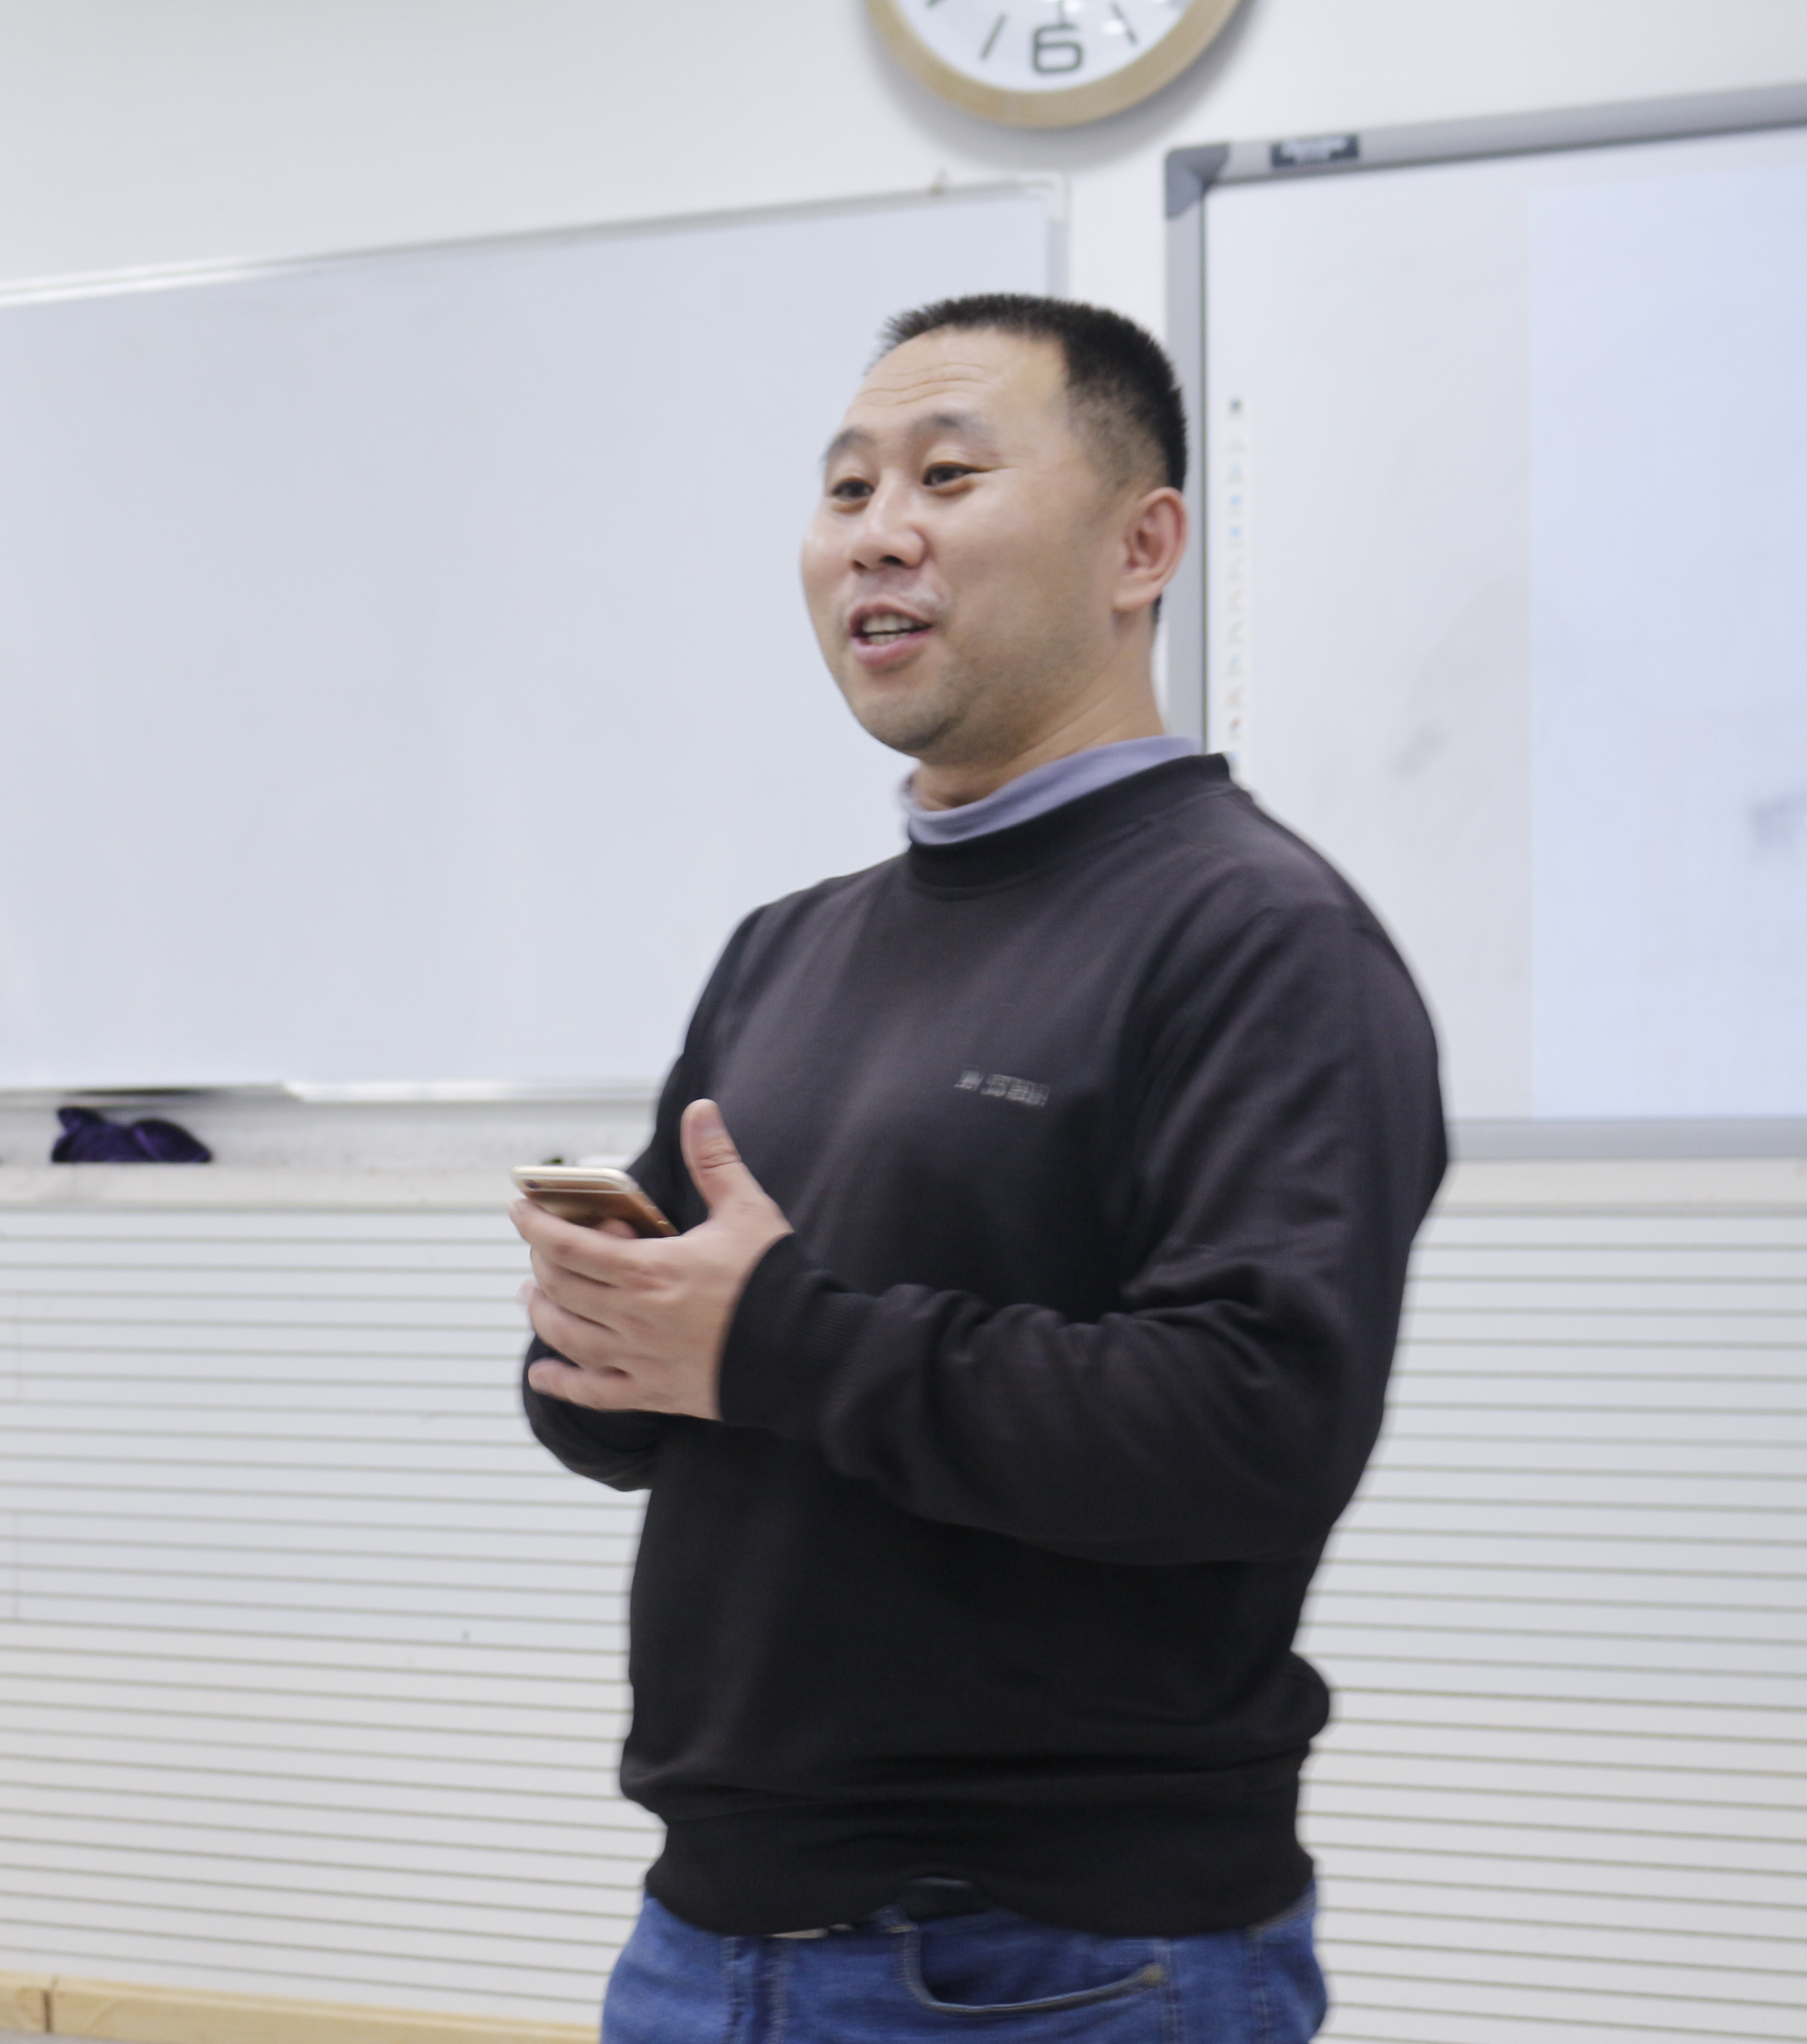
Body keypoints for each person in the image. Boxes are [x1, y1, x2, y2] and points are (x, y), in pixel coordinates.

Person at [513, 293, 1443, 2043]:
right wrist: (605, 1343)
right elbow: (673, 1392)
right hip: (710, 1938)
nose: (881, 533)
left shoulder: (1258, 936)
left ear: (1141, 547)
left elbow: (1255, 1428)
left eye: (947, 476)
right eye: (847, 488)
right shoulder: (787, 948)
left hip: (1058, 1965)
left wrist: (773, 1339)